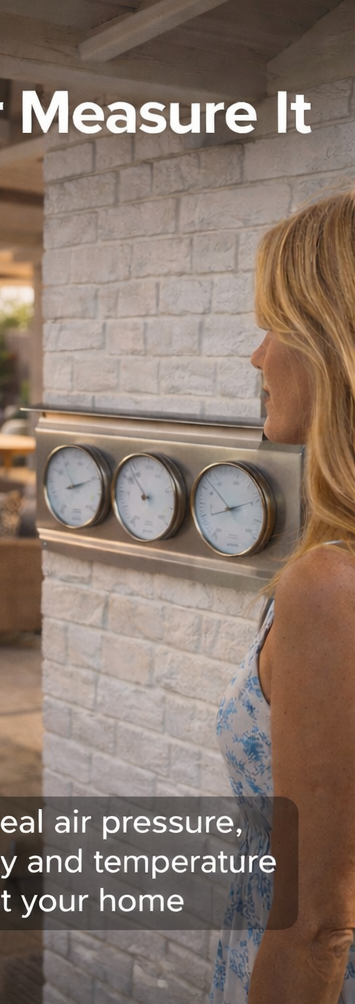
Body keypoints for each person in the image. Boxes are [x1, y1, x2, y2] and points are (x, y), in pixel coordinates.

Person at [212, 191, 355, 1003]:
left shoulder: (330, 587)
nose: (258, 357)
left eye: (277, 328)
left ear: (338, 347)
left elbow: (319, 928)